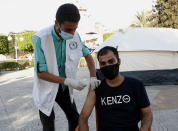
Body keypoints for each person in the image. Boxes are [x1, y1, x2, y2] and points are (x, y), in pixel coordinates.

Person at [31, 3, 100, 131]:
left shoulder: (75, 35)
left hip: (64, 88)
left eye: (75, 28)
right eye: (69, 30)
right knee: (48, 125)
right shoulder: (41, 38)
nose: (73, 33)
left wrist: (93, 77)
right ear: (57, 23)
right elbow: (41, 73)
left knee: (75, 119)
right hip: (46, 88)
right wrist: (68, 81)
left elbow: (88, 56)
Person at [79, 46, 153, 131]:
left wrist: (143, 128)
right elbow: (83, 117)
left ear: (119, 61)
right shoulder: (96, 88)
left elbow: (147, 113)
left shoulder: (135, 85)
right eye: (103, 63)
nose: (107, 65)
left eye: (111, 61)